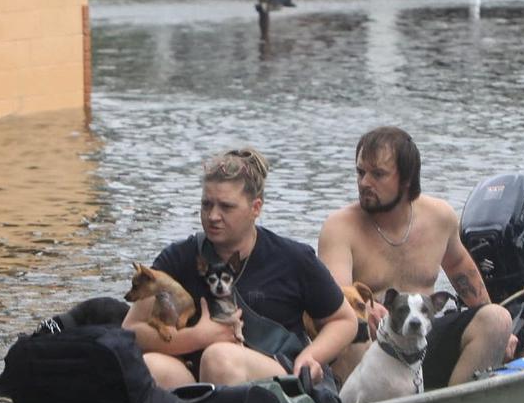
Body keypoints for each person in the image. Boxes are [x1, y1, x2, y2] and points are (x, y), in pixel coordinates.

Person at [123, 147, 357, 390]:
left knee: (219, 359)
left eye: (226, 207)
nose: (213, 216)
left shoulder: (294, 258)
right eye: (206, 204)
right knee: (150, 366)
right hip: (196, 375)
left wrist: (310, 357)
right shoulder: (176, 258)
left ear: (256, 208)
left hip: (275, 374)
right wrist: (195, 338)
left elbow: (343, 320)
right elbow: (131, 330)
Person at [318, 126, 514, 388]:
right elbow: (337, 295)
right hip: (375, 353)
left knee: (497, 319)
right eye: (360, 172)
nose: (365, 182)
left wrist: (503, 334)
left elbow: (460, 270)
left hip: (425, 341)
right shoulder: (339, 227)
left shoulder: (439, 216)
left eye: (378, 174)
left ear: (406, 179)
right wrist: (366, 310)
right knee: (352, 334)